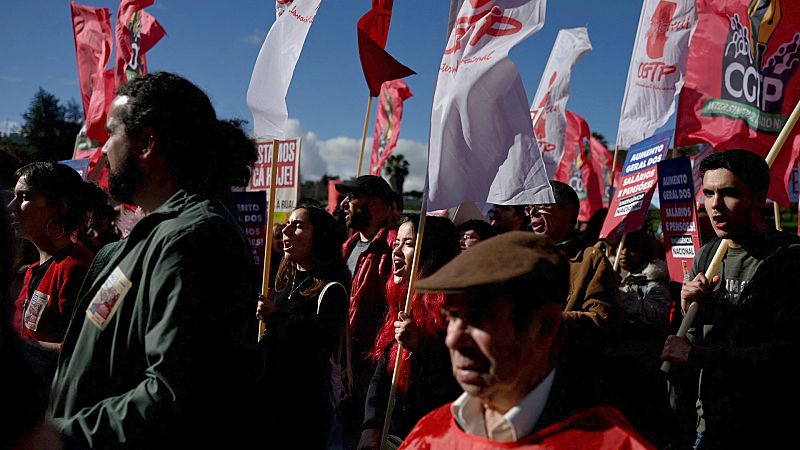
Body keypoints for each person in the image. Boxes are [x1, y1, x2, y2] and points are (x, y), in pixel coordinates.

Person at [46, 72, 259, 448]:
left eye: (111, 134)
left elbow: (175, 395)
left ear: (146, 143)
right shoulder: (153, 235)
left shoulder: (193, 237)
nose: (103, 151)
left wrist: (59, 439)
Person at [398, 231, 653, 449]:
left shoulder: (612, 444)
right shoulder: (428, 434)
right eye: (453, 316)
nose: (454, 340)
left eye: (478, 319)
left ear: (544, 327)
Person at [661, 149, 800, 449]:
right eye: (708, 193)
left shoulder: (790, 260)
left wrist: (695, 355)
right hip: (710, 425)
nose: (715, 205)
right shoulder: (708, 256)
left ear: (759, 199)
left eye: (729, 193)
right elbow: (694, 342)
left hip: (770, 425)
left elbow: (784, 357)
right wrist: (690, 313)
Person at [359, 215, 462, 449]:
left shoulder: (458, 313)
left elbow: (456, 390)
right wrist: (370, 426)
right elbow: (380, 376)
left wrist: (422, 348)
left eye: (408, 244)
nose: (396, 251)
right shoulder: (402, 305)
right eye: (396, 243)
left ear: (432, 253)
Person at [255, 203, 350, 449]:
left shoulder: (332, 289)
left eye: (297, 226)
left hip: (303, 408)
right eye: (287, 224)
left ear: (318, 237)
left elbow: (317, 344)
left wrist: (276, 317)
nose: (286, 231)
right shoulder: (284, 281)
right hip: (271, 400)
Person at [529, 180, 619, 408]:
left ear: (567, 211)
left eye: (541, 205)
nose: (532, 213)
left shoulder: (590, 259)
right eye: (529, 207)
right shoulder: (520, 257)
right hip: (525, 375)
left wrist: (550, 321)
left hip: (569, 376)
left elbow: (602, 319)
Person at [7, 162, 96, 383]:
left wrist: (16, 346)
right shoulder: (29, 271)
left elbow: (82, 349)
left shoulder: (77, 267)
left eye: (25, 197)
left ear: (59, 208)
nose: (11, 206)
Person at [337, 174, 397, 439]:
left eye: (351, 197)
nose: (344, 203)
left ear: (374, 204)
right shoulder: (348, 246)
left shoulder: (393, 247)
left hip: (373, 365)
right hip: (346, 361)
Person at [607, 226, 676, 448]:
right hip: (615, 364)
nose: (624, 253)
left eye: (632, 248)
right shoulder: (608, 273)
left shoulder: (655, 278)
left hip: (643, 363)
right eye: (621, 247)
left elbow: (657, 313)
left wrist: (621, 296)